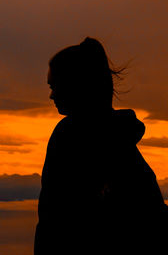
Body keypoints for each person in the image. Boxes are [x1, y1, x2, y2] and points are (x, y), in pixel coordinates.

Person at [34, 37, 167, 255]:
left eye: (55, 85)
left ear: (76, 85)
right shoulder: (121, 141)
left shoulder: (69, 137)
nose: (51, 95)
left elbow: (54, 221)